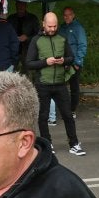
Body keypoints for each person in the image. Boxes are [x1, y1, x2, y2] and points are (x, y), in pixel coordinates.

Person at [25, 11, 84, 156]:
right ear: (43, 24)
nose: (52, 29)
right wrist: (46, 62)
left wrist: (64, 60)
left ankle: (74, 144)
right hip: (43, 84)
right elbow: (29, 63)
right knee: (43, 116)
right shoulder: (36, 40)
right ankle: (47, 144)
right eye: (50, 26)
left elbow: (71, 57)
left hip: (60, 83)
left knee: (68, 115)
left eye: (55, 26)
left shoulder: (62, 38)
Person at [60, 7, 88, 115]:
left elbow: (82, 45)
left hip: (74, 62)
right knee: (61, 87)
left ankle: (72, 110)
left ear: (73, 15)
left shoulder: (78, 28)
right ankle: (65, 108)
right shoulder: (62, 28)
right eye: (65, 15)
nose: (67, 17)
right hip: (63, 61)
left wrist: (78, 62)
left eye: (69, 15)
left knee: (74, 87)